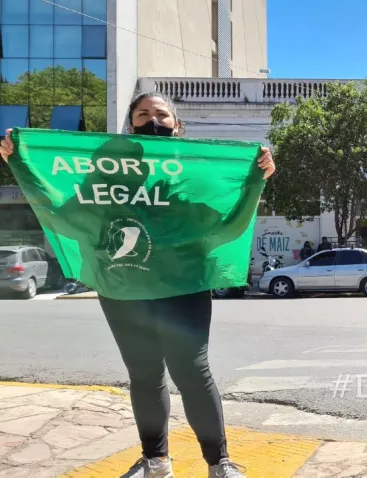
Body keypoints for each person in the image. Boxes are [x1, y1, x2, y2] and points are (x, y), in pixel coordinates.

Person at [0, 92, 275, 478]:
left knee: (192, 373)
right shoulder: (105, 178)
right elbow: (63, 216)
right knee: (144, 375)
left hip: (184, 287)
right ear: (131, 125)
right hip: (122, 289)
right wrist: (20, 162)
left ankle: (219, 463)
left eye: (161, 114)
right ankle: (156, 461)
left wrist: (255, 180)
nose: (152, 120)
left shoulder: (193, 176)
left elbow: (226, 227)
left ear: (177, 125)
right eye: (143, 114)